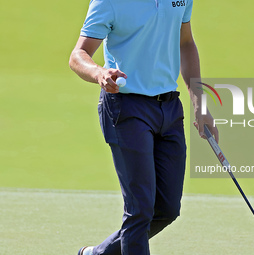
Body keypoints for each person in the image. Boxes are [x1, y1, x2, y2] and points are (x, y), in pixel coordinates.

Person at [69, 0, 218, 254]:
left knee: (167, 209)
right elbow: (78, 55)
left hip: (169, 109)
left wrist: (198, 101)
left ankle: (98, 253)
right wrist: (99, 73)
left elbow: (186, 44)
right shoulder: (109, 2)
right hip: (126, 108)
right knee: (140, 210)